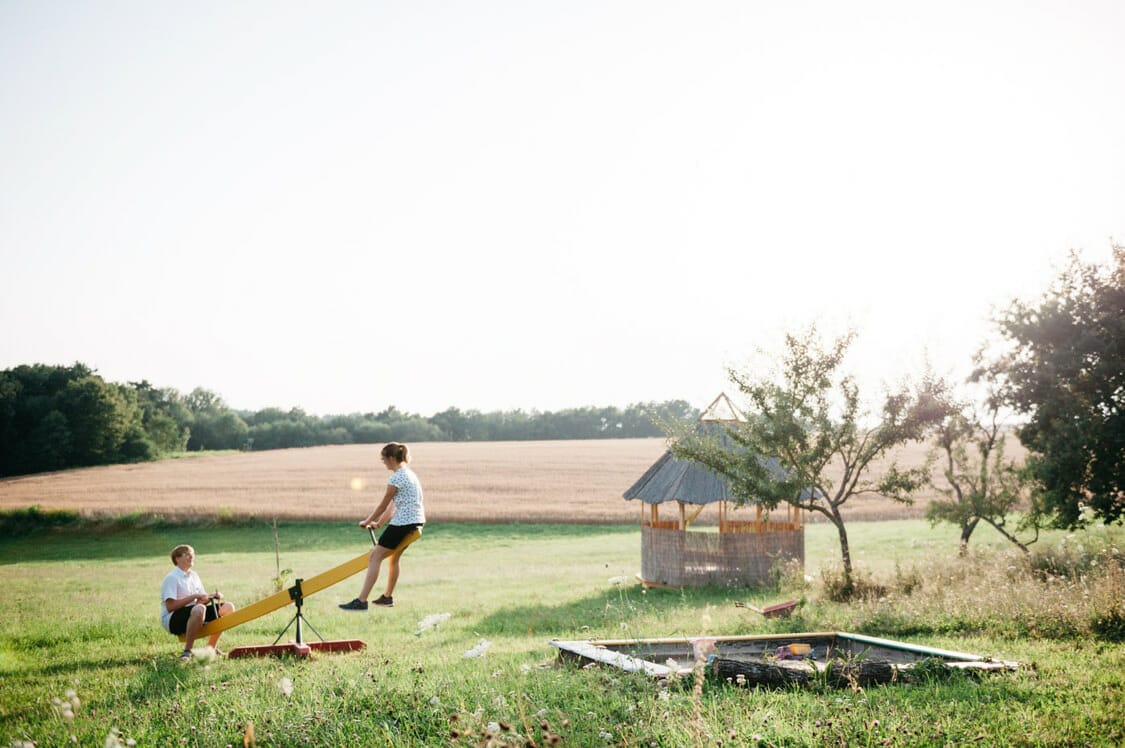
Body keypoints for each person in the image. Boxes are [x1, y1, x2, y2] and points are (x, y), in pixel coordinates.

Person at [339, 442, 425, 611]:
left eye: (383, 459)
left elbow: (382, 505)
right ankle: (387, 597)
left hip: (403, 523)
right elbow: (392, 506)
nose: (383, 462)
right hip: (416, 522)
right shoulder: (409, 474)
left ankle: (361, 601)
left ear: (391, 458)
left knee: (375, 557)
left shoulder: (396, 478)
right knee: (393, 558)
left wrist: (366, 521)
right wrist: (378, 523)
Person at [160, 544, 236, 661]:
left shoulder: (194, 576)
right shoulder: (171, 578)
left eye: (192, 554)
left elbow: (202, 600)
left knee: (228, 607)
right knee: (200, 609)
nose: (191, 557)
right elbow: (170, 607)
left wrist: (213, 596)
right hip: (173, 619)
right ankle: (187, 652)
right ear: (177, 559)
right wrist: (194, 596)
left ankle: (210, 648)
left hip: (195, 611)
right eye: (187, 554)